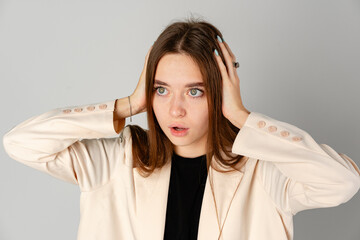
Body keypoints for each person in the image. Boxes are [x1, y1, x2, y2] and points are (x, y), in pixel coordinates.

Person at [3, 18, 360, 240]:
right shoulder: (116, 161)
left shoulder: (263, 172)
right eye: (161, 89)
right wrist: (125, 106)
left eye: (195, 91)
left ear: (219, 94)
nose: (175, 108)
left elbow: (342, 182)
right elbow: (21, 142)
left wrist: (243, 117)